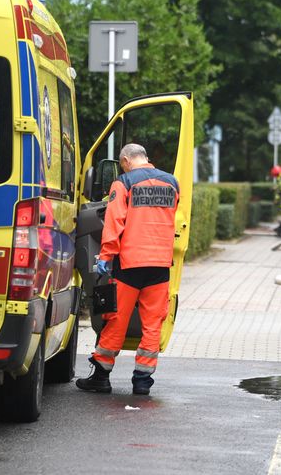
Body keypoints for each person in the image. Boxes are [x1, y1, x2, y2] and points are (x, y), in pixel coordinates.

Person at [76, 143, 180, 396]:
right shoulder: (172, 183)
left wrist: (106, 255)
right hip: (160, 265)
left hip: (130, 263)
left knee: (116, 319)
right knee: (153, 323)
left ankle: (101, 377)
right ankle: (142, 381)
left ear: (125, 160)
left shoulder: (124, 182)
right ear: (145, 158)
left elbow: (114, 222)